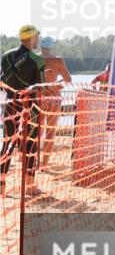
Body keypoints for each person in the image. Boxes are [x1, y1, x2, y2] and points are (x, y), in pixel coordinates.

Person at [1, 25, 44, 197]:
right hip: (29, 109)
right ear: (32, 38)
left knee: (7, 145)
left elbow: (3, 80)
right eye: (37, 37)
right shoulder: (36, 59)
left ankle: (1, 185)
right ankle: (30, 186)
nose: (38, 40)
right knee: (30, 146)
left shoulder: (6, 56)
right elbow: (39, 88)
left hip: (10, 106)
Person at [39, 36, 72, 168]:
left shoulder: (34, 59)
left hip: (38, 96)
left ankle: (32, 162)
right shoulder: (57, 60)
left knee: (36, 131)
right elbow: (68, 79)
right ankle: (44, 164)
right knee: (50, 132)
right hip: (53, 97)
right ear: (51, 46)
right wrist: (56, 84)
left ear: (40, 46)